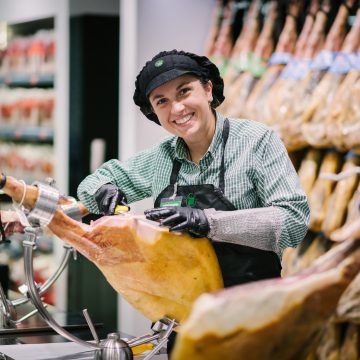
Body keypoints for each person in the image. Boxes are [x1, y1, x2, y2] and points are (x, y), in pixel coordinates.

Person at [77, 49, 309, 288]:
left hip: (250, 309)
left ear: (208, 90)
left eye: (184, 91)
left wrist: (209, 222)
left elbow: (293, 221)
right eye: (162, 101)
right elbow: (92, 184)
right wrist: (102, 189)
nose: (177, 109)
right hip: (180, 311)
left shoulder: (257, 141)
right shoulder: (161, 157)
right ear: (154, 112)